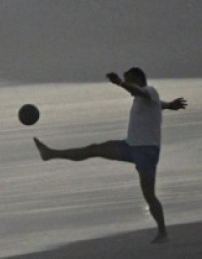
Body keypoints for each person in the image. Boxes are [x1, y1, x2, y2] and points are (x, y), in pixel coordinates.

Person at [33, 67, 187, 243]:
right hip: (129, 147)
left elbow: (140, 91)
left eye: (129, 79)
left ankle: (162, 233)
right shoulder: (146, 99)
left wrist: (121, 84)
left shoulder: (149, 91)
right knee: (94, 149)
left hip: (146, 152)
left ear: (137, 79)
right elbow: (158, 104)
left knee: (149, 195)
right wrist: (170, 105)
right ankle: (50, 153)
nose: (127, 83)